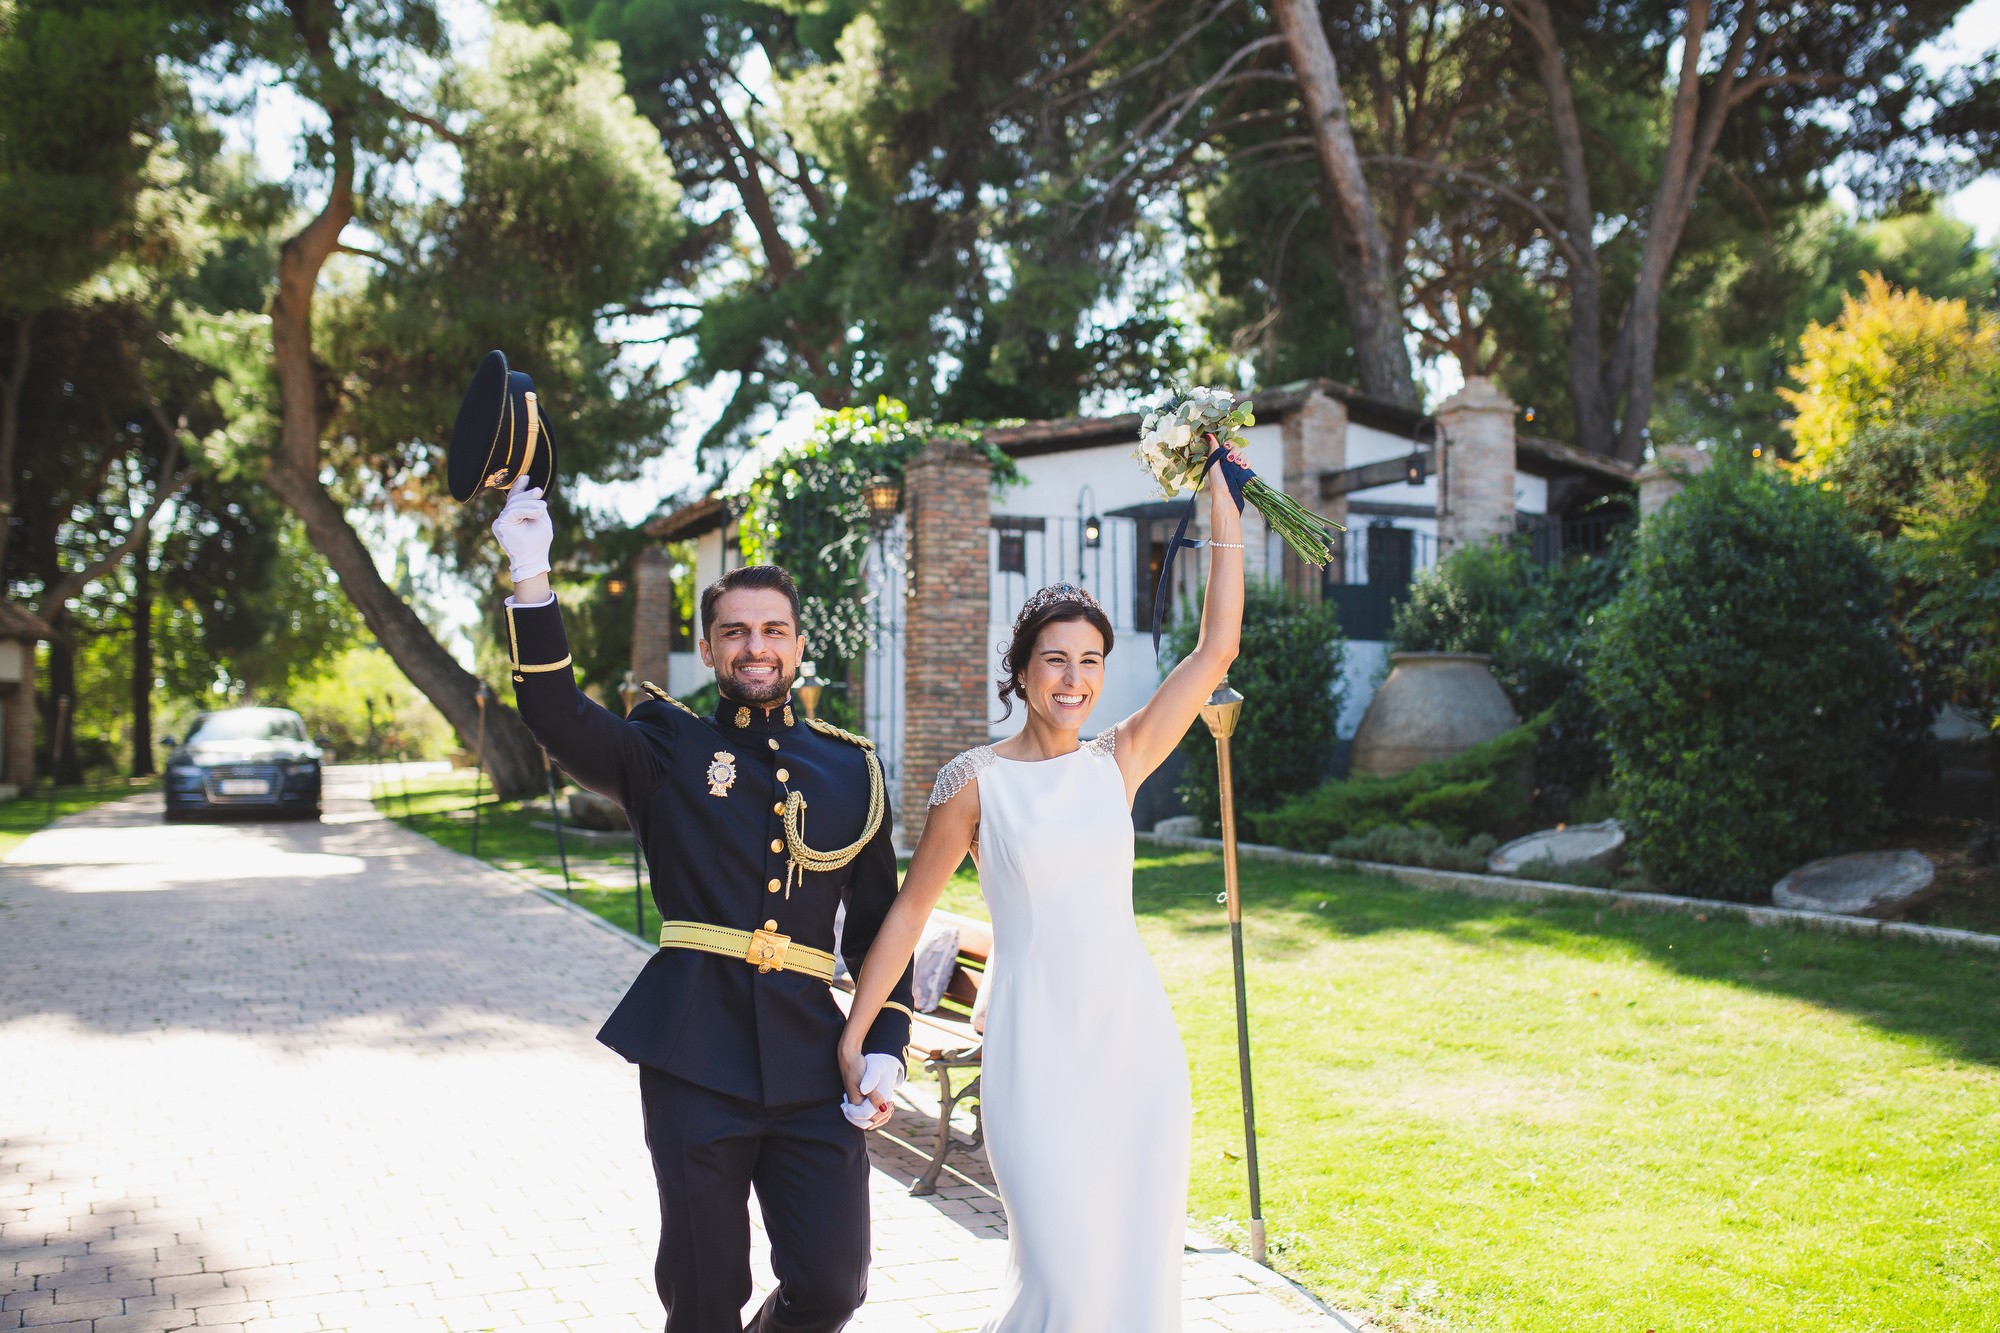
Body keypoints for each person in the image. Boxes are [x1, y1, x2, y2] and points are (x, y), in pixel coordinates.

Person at [489, 479, 916, 1333]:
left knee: (834, 1285)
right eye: (736, 632)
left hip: (809, 1056)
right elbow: (556, 714)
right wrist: (531, 573)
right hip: (694, 1052)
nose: (755, 647)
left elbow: (876, 930)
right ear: (709, 644)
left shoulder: (852, 768)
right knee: (703, 1291)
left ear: (798, 644)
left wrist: (887, 1045)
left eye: (772, 631)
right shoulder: (666, 744)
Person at [838, 463, 1244, 1331]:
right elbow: (909, 912)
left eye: (1090, 661)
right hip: (1033, 1051)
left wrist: (1223, 505)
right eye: (1055, 659)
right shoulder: (974, 782)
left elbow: (1215, 649)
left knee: (1136, 1280)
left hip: (1135, 1045)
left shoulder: (1119, 759)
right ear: (1021, 670)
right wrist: (856, 1029)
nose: (1075, 678)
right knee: (1060, 1280)